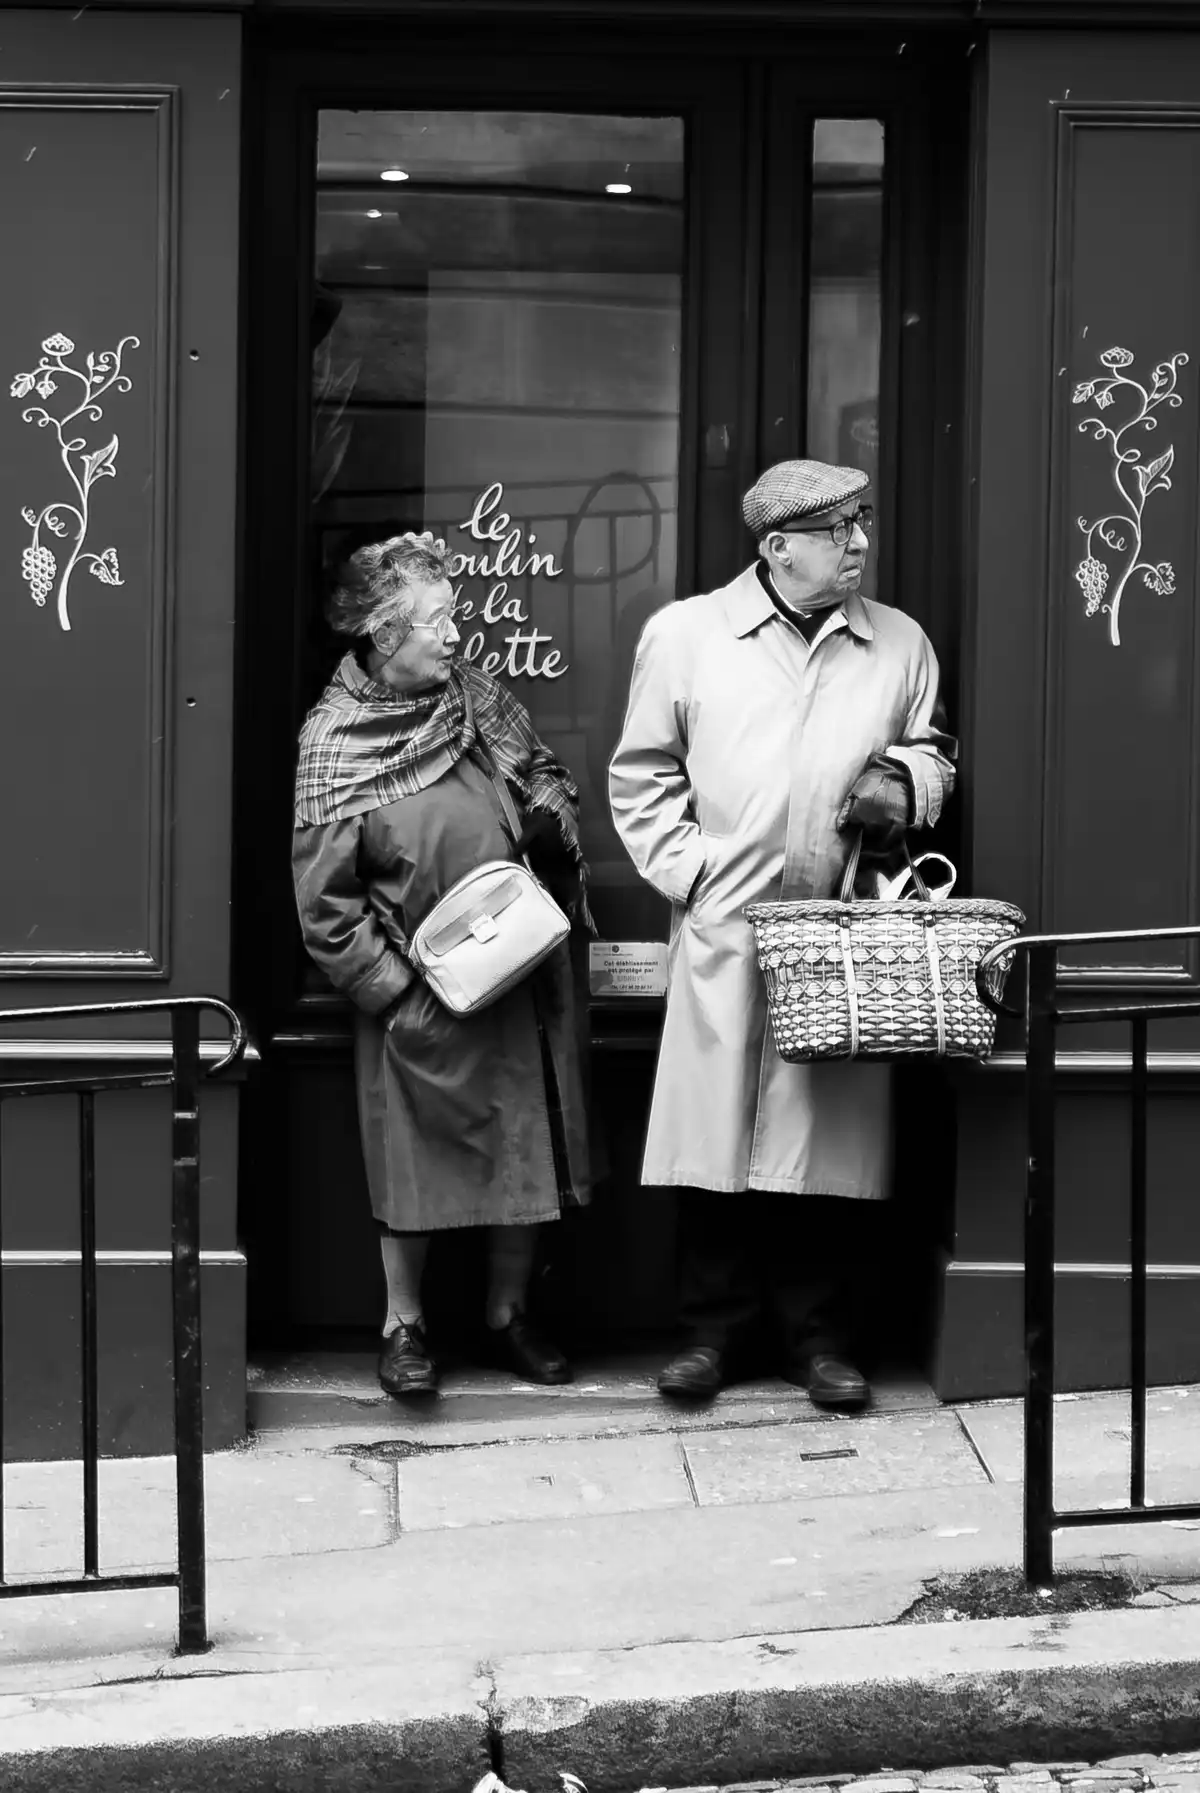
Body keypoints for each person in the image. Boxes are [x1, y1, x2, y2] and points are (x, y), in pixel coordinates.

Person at [608, 460, 956, 1408]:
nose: (860, 544)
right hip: (724, 924)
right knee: (713, 1140)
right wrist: (696, 873)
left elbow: (932, 748)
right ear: (777, 547)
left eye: (864, 523)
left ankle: (821, 1341)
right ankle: (708, 1337)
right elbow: (640, 774)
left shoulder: (898, 644)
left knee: (823, 1145)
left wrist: (908, 781)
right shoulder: (685, 636)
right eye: (839, 529)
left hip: (842, 931)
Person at [292, 531, 591, 1399]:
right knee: (413, 1165)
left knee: (523, 1152)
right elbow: (325, 908)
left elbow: (545, 772)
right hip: (424, 996)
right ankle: (404, 1326)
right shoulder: (331, 743)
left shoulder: (478, 698)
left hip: (522, 975)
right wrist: (398, 997)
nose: (456, 636)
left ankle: (508, 1316)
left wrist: (543, 812)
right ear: (385, 638)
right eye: (438, 623)